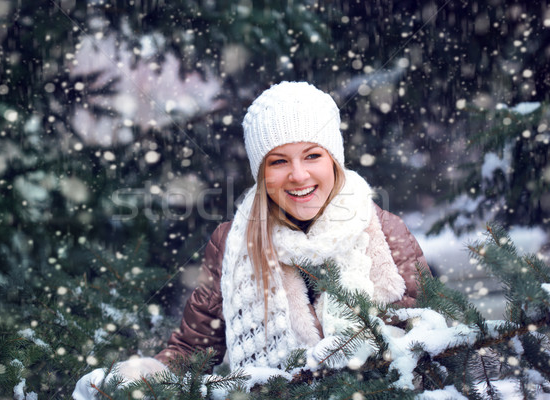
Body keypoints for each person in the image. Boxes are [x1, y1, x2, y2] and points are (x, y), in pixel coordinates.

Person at [72, 81, 429, 398]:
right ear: (261, 172)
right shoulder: (232, 244)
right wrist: (135, 379)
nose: (298, 175)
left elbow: (431, 336)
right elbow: (193, 354)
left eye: (313, 155)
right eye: (278, 161)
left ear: (334, 159)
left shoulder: (383, 230)